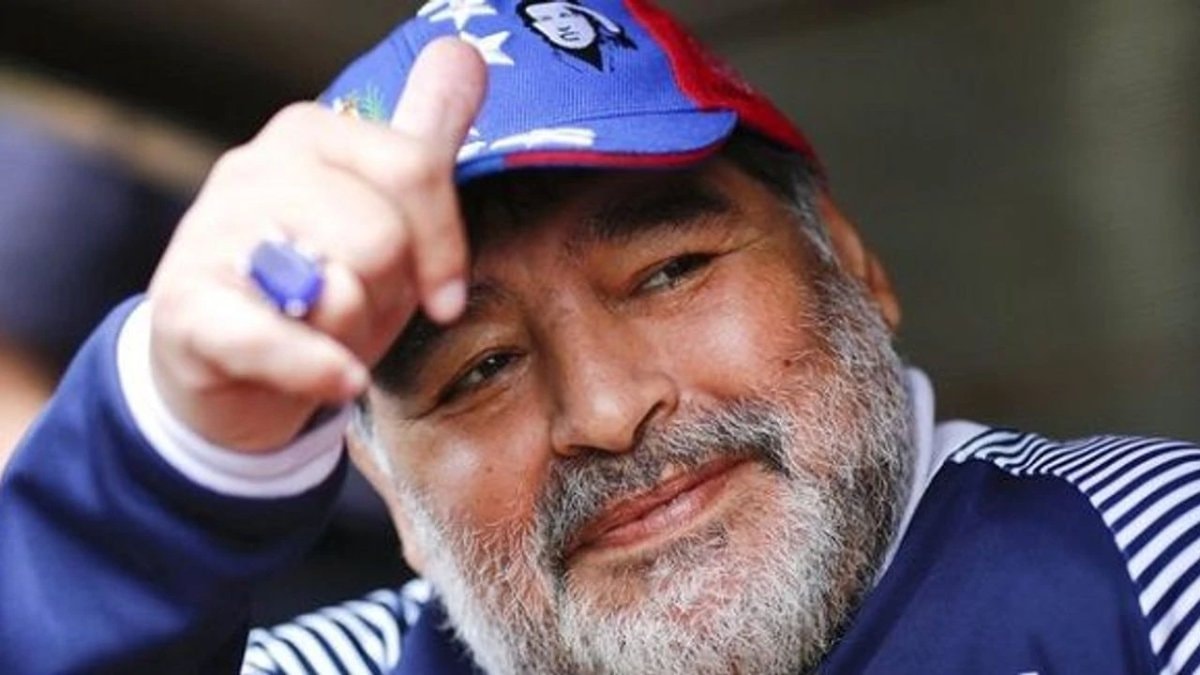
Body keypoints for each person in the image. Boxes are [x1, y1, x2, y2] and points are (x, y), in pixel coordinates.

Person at [1, 1, 1197, 674]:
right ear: (390, 492)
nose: (607, 411)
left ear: (852, 262)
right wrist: (164, 463)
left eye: (671, 272)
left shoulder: (1153, 571)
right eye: (477, 370)